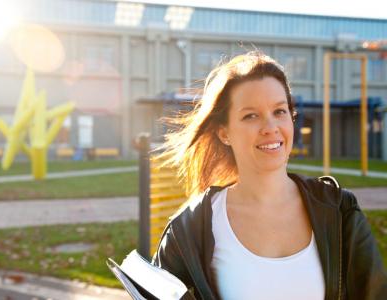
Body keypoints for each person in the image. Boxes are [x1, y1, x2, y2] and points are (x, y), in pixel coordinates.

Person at [151, 51, 387, 300]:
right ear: (224, 133)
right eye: (250, 116)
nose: (271, 128)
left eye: (279, 111)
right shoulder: (189, 228)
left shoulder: (339, 209)